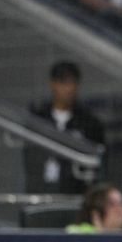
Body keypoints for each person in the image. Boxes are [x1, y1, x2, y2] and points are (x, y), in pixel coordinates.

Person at [24, 61, 106, 194]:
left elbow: (98, 162)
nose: (69, 89)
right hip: (41, 191)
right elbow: (30, 159)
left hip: (75, 192)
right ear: (53, 84)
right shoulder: (39, 120)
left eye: (73, 83)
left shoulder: (88, 122)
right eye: (64, 82)